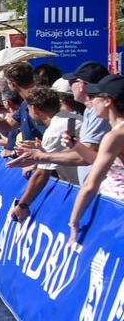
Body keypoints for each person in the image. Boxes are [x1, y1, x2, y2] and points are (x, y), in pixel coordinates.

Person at [67, 73, 124, 246]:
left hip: (115, 210)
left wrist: (74, 222)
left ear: (108, 101)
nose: (90, 102)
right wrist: (77, 146)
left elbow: (90, 185)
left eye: (94, 97)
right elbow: (109, 164)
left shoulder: (114, 136)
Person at [7, 86, 77, 224]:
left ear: (34, 109)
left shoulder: (53, 131)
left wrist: (23, 205)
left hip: (80, 187)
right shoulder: (73, 118)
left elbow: (42, 174)